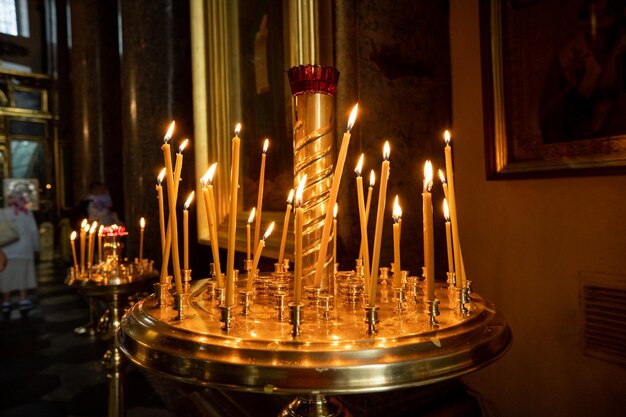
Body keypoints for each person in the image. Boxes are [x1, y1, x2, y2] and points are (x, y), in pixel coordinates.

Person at [0, 192, 39, 314]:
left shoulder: (2, 212)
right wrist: (36, 248)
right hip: (24, 249)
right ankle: (23, 300)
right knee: (23, 274)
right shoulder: (27, 213)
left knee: (6, 276)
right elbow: (33, 232)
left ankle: (6, 301)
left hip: (6, 249)